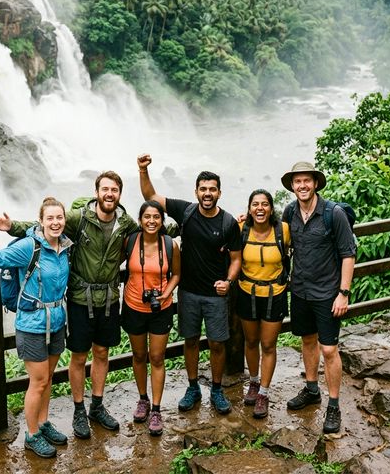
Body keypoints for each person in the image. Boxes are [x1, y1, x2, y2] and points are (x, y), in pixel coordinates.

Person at [0, 172, 139, 439]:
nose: (109, 193)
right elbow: (49, 223)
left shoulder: (126, 223)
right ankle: (79, 410)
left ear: (119, 194)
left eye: (114, 189)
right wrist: (11, 226)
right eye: (105, 189)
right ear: (97, 192)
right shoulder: (79, 217)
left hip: (108, 299)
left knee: (102, 352)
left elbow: (150, 228)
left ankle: (97, 405)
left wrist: (178, 227)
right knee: (79, 355)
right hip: (80, 300)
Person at [0, 197, 72, 459]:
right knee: (39, 381)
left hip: (57, 322)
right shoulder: (28, 247)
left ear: (64, 220)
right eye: (50, 218)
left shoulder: (66, 246)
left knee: (48, 379)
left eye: (59, 218)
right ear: (41, 221)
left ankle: (43, 424)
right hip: (32, 324)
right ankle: (31, 435)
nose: (55, 223)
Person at [137, 154, 242, 415]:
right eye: (203, 189)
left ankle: (216, 389)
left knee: (217, 343)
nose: (207, 193)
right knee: (191, 340)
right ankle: (193, 386)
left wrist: (228, 282)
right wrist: (142, 171)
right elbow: (151, 197)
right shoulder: (186, 211)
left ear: (219, 192)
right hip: (188, 293)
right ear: (196, 191)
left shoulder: (228, 223)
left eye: (212, 189)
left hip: (216, 295)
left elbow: (236, 258)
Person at [280, 161, 356, 434]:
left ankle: (333, 405)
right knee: (308, 341)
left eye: (306, 181)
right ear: (292, 186)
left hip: (327, 294)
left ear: (315, 184)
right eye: (297, 182)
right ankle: (312, 390)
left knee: (329, 349)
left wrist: (343, 294)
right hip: (300, 291)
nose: (302, 186)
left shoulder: (332, 213)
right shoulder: (290, 212)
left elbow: (348, 254)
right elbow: (277, 236)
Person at [122, 200, 181, 436]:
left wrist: (166, 294)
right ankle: (143, 400)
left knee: (157, 357)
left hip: (161, 308)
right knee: (138, 355)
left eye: (156, 217)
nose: (152, 221)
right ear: (139, 220)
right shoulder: (130, 242)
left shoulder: (169, 245)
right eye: (147, 217)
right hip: (133, 305)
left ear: (162, 221)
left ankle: (156, 409)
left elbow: (176, 274)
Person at [237, 189, 291, 419]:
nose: (260, 208)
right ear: (249, 209)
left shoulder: (283, 230)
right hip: (247, 291)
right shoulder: (241, 229)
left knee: (268, 344)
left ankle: (264, 393)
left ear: (271, 208)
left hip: (274, 292)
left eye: (265, 204)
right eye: (255, 204)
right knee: (251, 341)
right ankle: (253, 382)